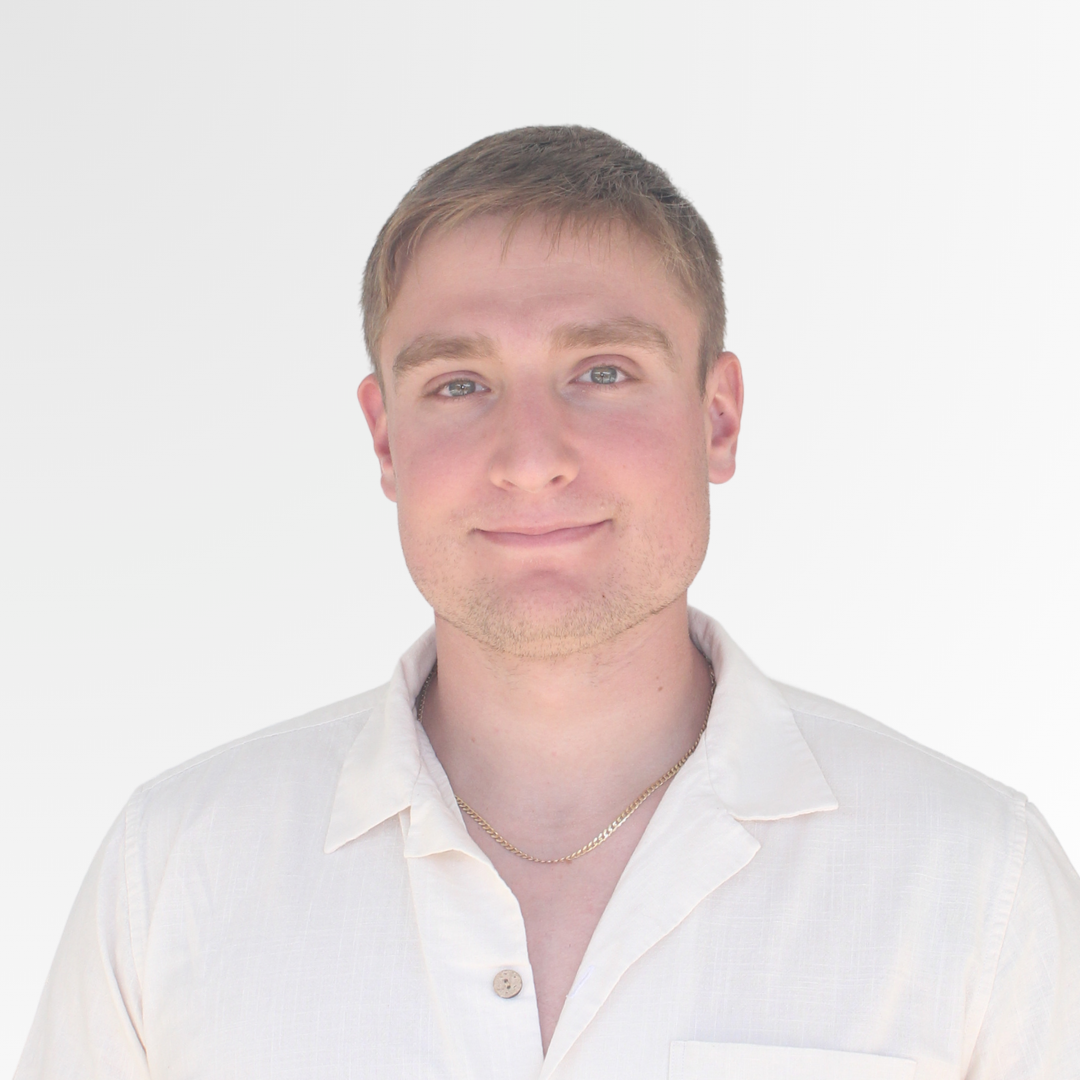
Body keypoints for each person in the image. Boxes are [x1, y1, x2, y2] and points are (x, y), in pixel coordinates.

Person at [16, 126, 1080, 1080]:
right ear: (385, 439)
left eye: (603, 373)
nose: (530, 459)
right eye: (459, 385)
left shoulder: (973, 880)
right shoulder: (176, 871)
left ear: (717, 418)